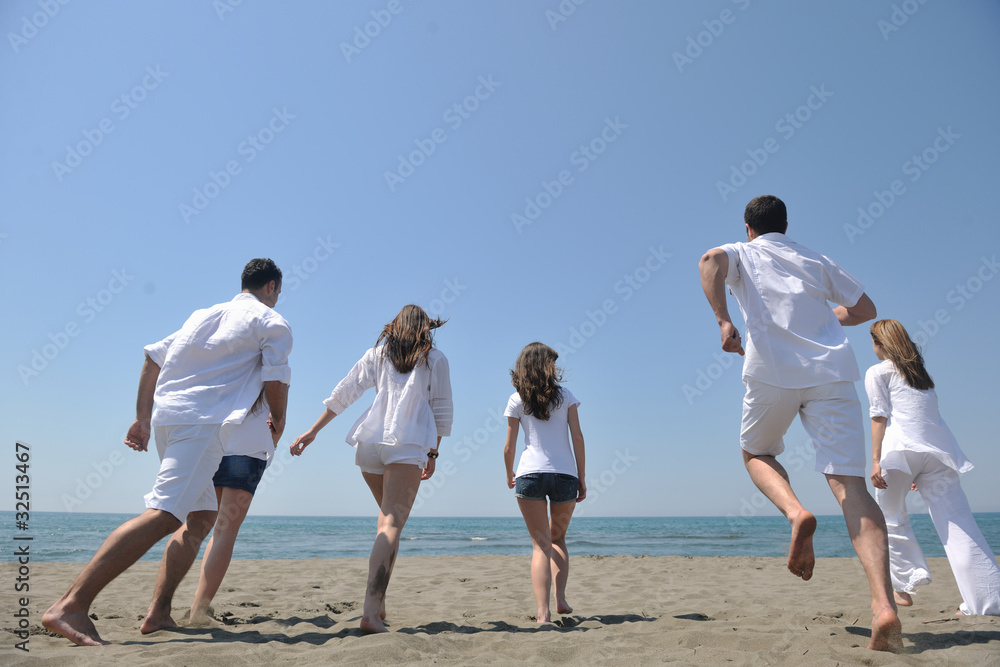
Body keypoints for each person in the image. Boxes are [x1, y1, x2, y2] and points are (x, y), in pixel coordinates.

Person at [42, 258, 293, 646]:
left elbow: (152, 356)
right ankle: (70, 605)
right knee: (163, 514)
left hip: (169, 420)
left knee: (201, 516)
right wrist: (278, 419)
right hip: (204, 425)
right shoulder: (270, 321)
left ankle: (159, 613)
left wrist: (142, 419)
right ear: (272, 287)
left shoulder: (202, 316)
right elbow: (276, 377)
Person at [698, 195, 901, 652]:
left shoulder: (744, 252)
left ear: (749, 228)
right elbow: (866, 308)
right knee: (852, 487)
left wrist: (723, 321)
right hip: (831, 375)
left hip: (771, 371)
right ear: (786, 226)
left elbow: (709, 260)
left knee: (756, 452)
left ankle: (796, 512)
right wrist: (825, 320)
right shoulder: (816, 258)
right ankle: (883, 606)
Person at [290, 304, 452, 634]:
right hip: (406, 444)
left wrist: (313, 430)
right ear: (425, 328)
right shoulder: (434, 359)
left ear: (395, 326)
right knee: (393, 523)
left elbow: (345, 392)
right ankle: (370, 612)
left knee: (386, 525)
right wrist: (434, 452)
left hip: (370, 443)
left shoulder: (377, 354)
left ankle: (378, 605)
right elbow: (442, 409)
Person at [866, 319, 1000, 615]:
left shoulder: (877, 372)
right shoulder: (921, 377)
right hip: (937, 453)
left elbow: (879, 417)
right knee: (958, 522)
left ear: (880, 343)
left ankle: (905, 583)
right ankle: (988, 601)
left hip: (901, 452)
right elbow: (925, 418)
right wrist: (921, 469)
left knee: (889, 516)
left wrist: (875, 460)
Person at [503, 342, 586, 623]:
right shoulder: (566, 396)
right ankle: (560, 599)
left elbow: (508, 447)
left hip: (530, 474)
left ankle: (543, 613)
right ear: (547, 366)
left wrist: (508, 473)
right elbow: (577, 438)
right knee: (557, 539)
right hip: (565, 475)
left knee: (540, 545)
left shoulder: (517, 399)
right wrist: (582, 477)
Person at [185, 399, 277, 624]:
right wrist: (272, 442)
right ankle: (199, 610)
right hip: (247, 447)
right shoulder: (272, 363)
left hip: (212, 443)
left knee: (205, 528)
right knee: (225, 531)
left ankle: (186, 605)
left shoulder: (219, 362)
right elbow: (278, 417)